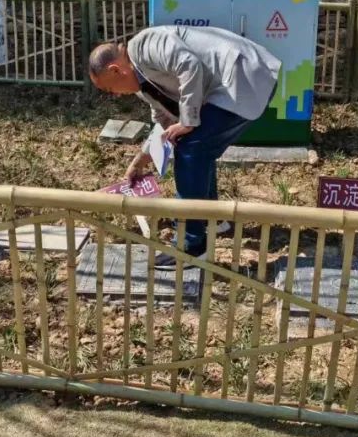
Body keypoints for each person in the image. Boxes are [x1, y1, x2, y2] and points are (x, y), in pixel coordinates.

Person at [89, 25, 282, 268]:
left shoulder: (145, 45)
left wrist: (188, 120)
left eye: (109, 89)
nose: (115, 95)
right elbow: (164, 124)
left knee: (192, 148)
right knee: (199, 147)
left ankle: (191, 245)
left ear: (115, 70)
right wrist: (140, 161)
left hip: (243, 76)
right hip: (231, 85)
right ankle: (212, 218)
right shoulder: (143, 87)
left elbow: (188, 64)